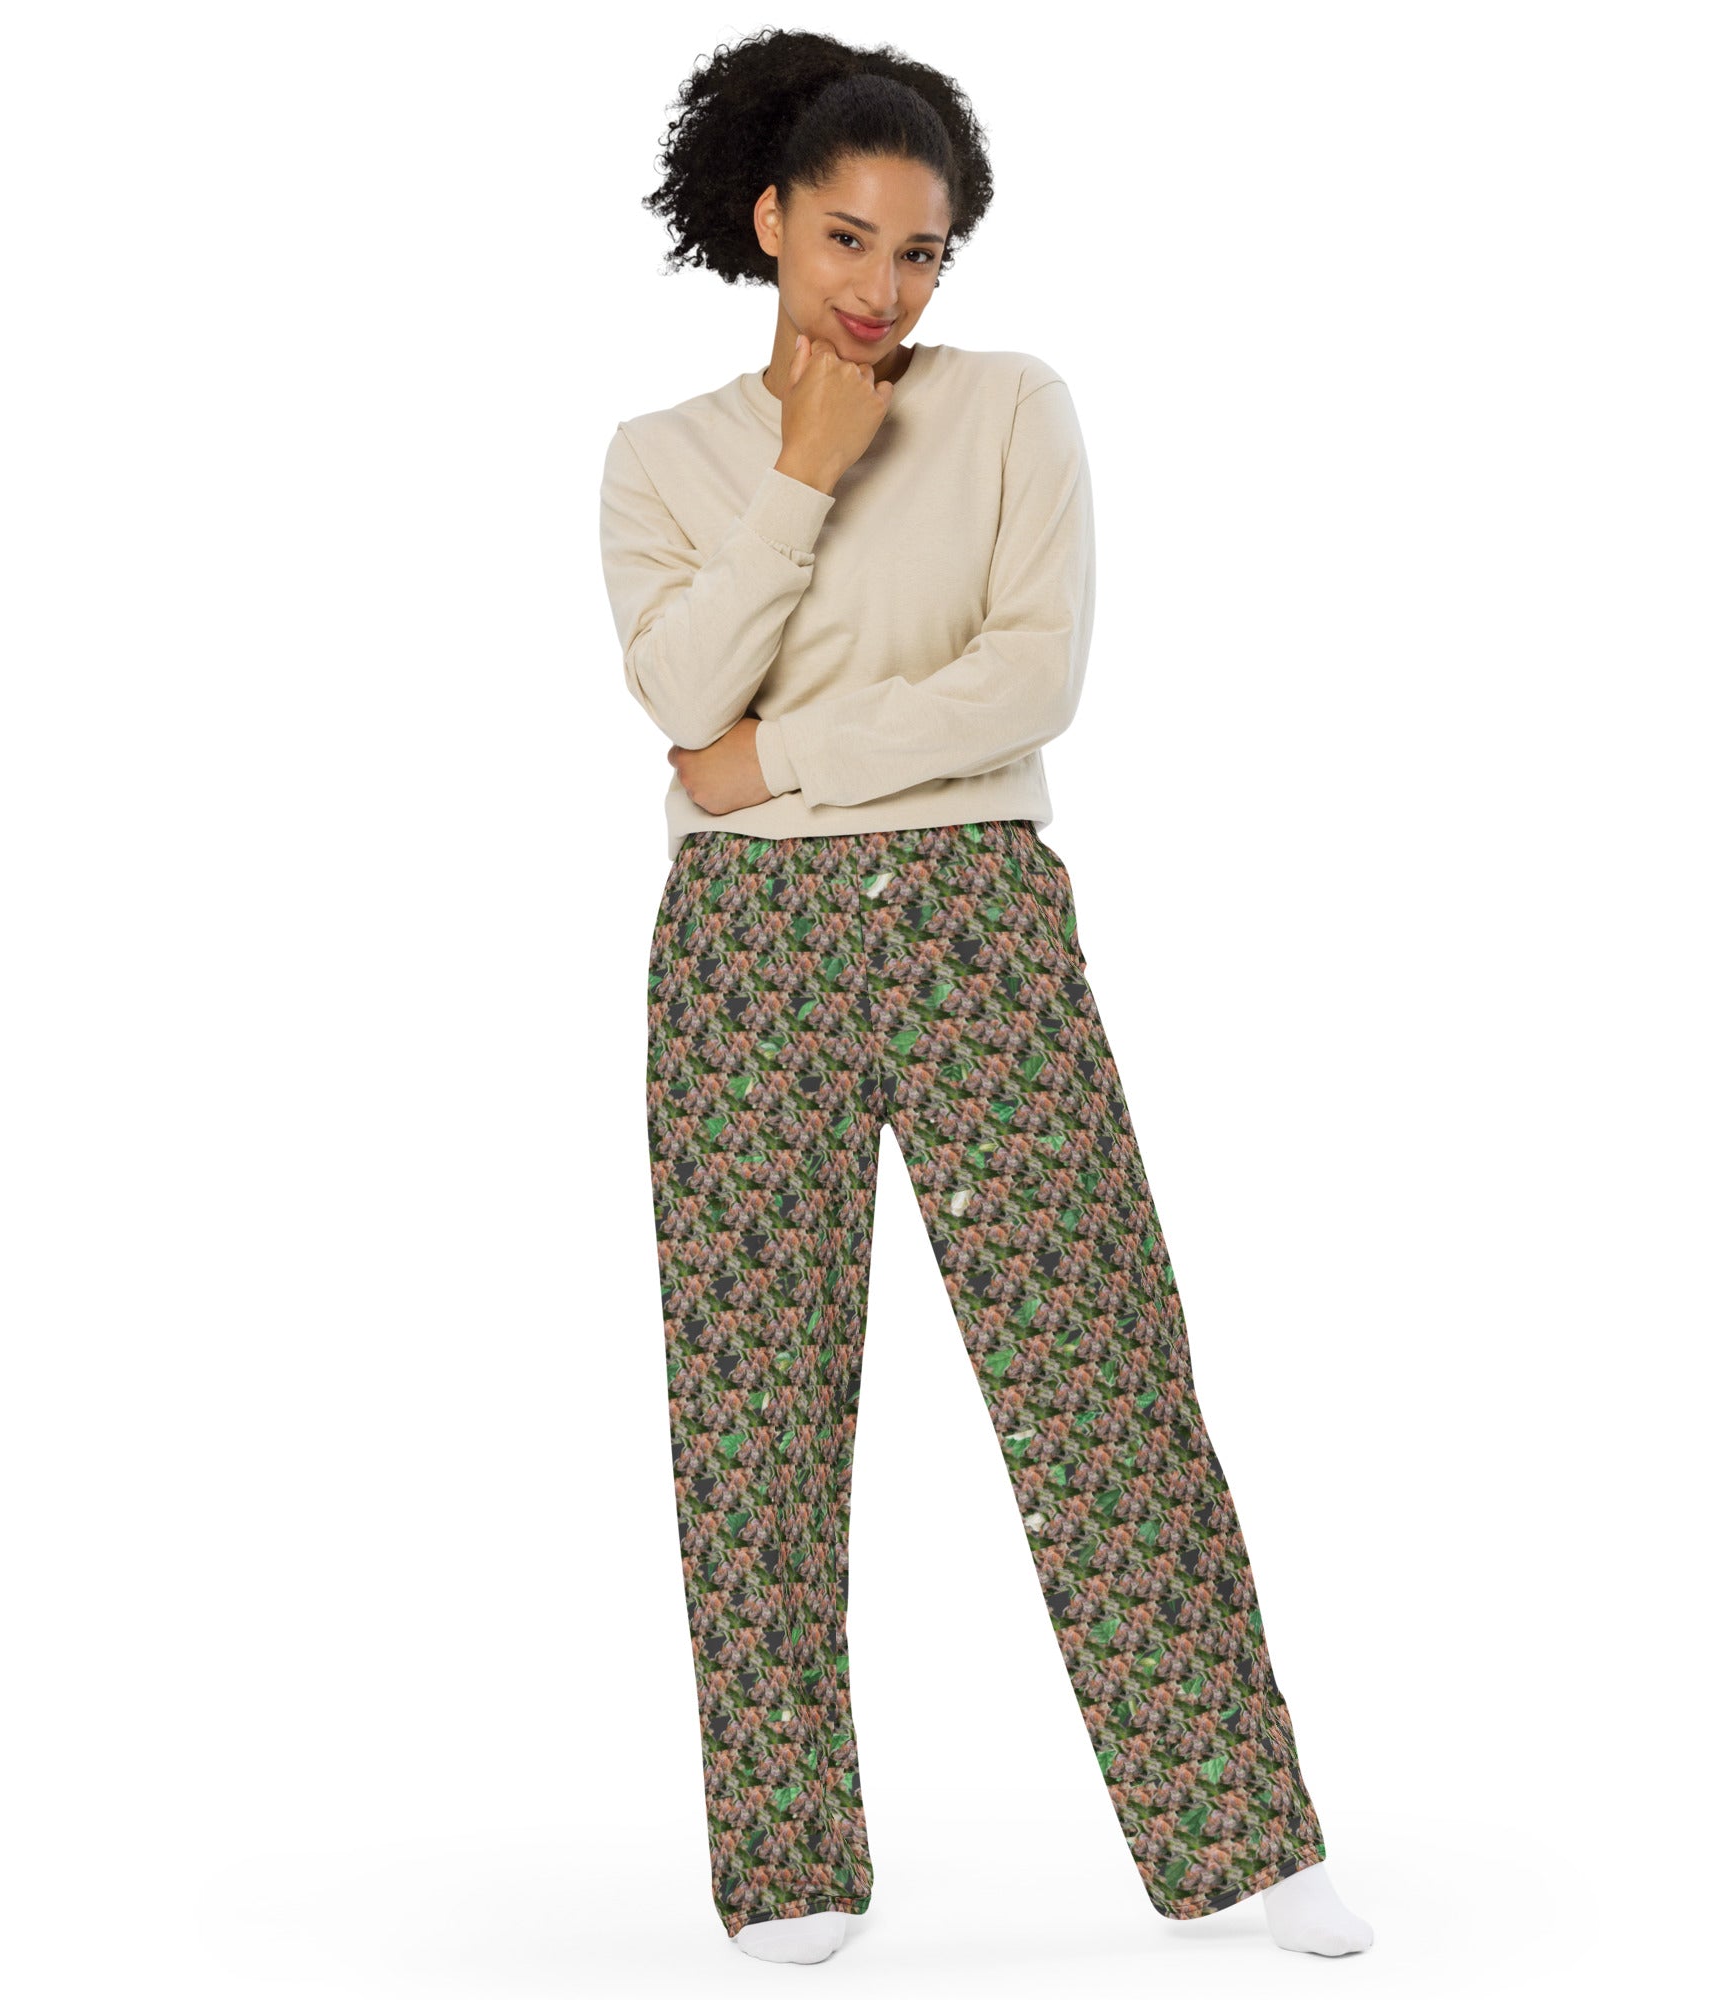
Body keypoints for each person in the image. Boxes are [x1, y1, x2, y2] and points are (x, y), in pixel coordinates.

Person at [598, 27, 1374, 1966]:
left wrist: (784, 762)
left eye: (922, 251)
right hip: (744, 953)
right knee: (754, 1407)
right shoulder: (662, 459)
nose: (883, 286)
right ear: (768, 222)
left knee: (1097, 1374)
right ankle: (787, 1860)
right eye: (847, 238)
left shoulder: (1015, 407)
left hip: (975, 922)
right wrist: (802, 473)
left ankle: (1234, 1832)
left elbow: (1030, 681)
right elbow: (679, 695)